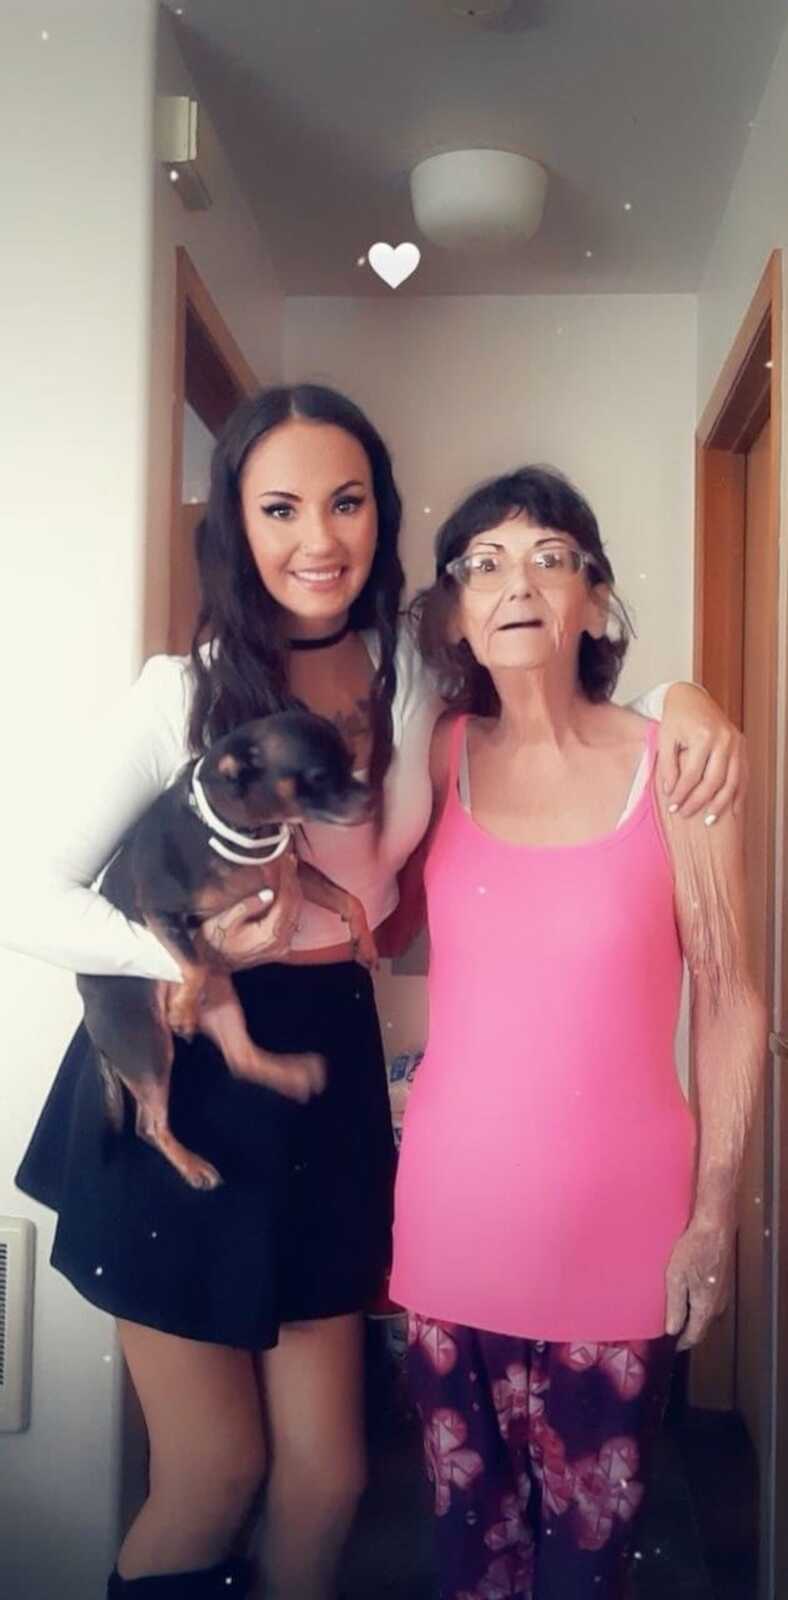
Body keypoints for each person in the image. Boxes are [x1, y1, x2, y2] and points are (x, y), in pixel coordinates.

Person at [4, 389, 744, 1600]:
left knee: (332, 1478)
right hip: (183, 1069)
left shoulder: (412, 678)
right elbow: (18, 893)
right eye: (279, 506)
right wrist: (182, 965)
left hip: (327, 1068)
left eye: (346, 502)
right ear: (235, 526)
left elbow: (552, 675)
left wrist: (681, 701)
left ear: (381, 516)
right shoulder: (177, 695)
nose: (318, 539)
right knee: (209, 1472)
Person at [389, 467, 766, 1600]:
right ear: (454, 611)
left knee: (585, 1568)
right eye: (482, 563)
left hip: (620, 1243)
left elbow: (735, 997)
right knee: (470, 1559)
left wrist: (711, 1221)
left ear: (593, 601)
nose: (517, 582)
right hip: (450, 1236)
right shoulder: (433, 757)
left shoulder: (674, 768)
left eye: (550, 556)